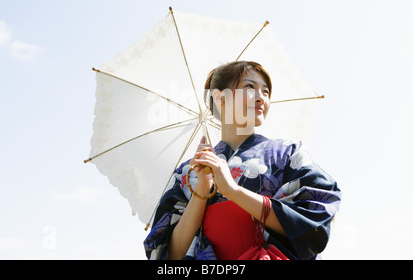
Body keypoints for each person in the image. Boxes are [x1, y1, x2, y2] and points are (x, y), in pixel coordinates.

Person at [143, 61, 341, 260]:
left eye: (266, 91)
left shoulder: (288, 153)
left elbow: (314, 218)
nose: (261, 97)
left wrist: (233, 191)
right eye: (250, 87)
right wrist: (201, 191)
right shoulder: (187, 172)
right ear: (220, 98)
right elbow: (169, 254)